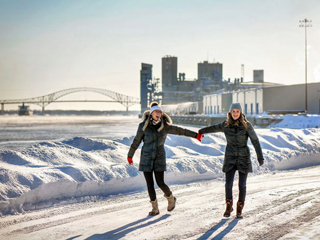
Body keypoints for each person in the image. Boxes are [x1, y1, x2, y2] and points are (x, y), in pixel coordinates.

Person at [127, 102, 203, 216]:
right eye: (156, 112)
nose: (158, 114)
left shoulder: (165, 126)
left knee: (160, 182)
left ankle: (171, 197)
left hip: (159, 157)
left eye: (160, 112)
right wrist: (130, 155)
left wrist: (195, 135)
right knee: (150, 184)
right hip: (146, 158)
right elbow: (136, 141)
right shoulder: (143, 126)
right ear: (151, 113)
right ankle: (155, 208)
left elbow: (180, 131)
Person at [198, 102, 264, 218]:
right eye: (233, 111)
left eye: (237, 111)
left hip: (243, 158)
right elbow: (213, 128)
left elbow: (255, 141)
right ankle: (229, 207)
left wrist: (260, 156)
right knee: (228, 185)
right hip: (230, 158)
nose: (235, 113)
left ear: (240, 112)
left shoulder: (247, 125)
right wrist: (201, 131)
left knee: (242, 185)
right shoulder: (225, 125)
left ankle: (239, 209)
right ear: (230, 112)